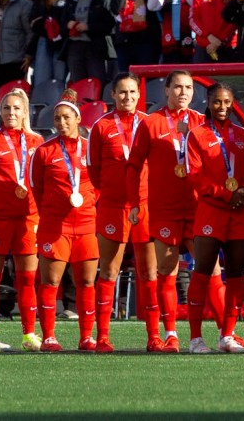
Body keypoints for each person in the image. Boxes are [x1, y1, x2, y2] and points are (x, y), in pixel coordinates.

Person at [126, 69, 203, 352]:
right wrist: (135, 202)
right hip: (165, 209)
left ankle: (224, 335)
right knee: (167, 272)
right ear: (166, 91)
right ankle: (169, 334)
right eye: (178, 87)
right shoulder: (151, 123)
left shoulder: (201, 122)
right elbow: (133, 165)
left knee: (211, 271)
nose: (183, 92)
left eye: (189, 87)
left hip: (197, 208)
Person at [87, 73, 158, 353]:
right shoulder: (100, 126)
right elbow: (93, 171)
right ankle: (102, 336)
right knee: (109, 271)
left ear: (139, 95)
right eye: (122, 93)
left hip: (146, 205)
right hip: (114, 206)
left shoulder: (149, 123)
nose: (127, 97)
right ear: (113, 95)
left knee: (149, 271)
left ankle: (154, 336)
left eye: (132, 92)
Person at [0, 88, 44, 353]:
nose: (11, 113)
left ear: (25, 111)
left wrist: (42, 217)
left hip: (29, 219)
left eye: (16, 108)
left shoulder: (38, 142)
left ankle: (29, 334)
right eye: (6, 108)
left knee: (27, 278)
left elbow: (45, 184)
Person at [184, 83, 244, 354]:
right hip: (211, 210)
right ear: (209, 102)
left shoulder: (242, 135)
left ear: (233, 102)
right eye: (217, 102)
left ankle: (227, 336)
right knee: (202, 272)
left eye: (227, 102)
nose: (222, 107)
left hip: (239, 212)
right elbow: (195, 176)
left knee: (236, 276)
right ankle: (195, 339)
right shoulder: (197, 135)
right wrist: (227, 194)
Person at [30, 93, 99, 351]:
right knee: (50, 282)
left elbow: (100, 183)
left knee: (86, 282)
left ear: (78, 119)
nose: (61, 122)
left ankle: (86, 337)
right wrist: (52, 209)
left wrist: (88, 202)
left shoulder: (90, 147)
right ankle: (48, 336)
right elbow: (36, 188)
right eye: (57, 118)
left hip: (86, 225)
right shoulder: (45, 151)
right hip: (54, 226)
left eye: (66, 117)